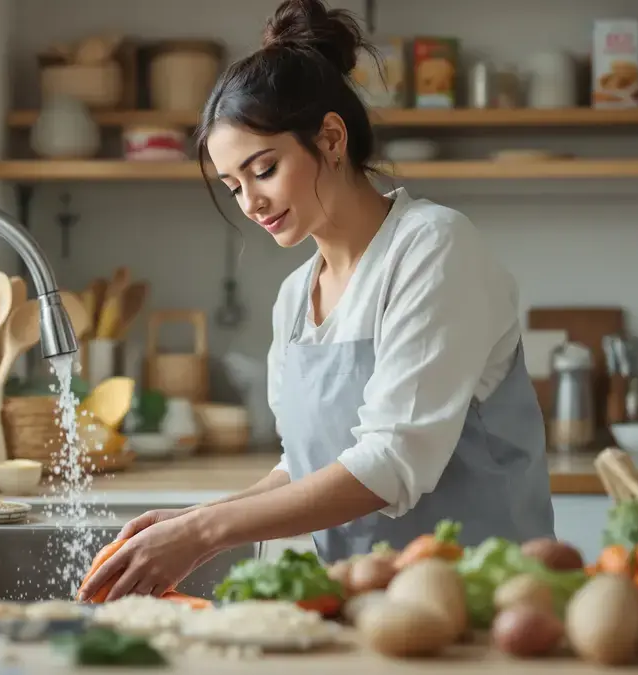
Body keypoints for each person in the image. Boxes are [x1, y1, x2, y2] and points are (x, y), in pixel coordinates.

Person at [78, 0, 555, 603]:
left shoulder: (433, 247)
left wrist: (202, 532)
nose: (250, 203)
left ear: (330, 138)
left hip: (484, 609)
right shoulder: (293, 299)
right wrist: (189, 521)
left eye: (264, 169)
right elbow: (305, 467)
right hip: (366, 607)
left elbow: (391, 462)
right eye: (234, 185)